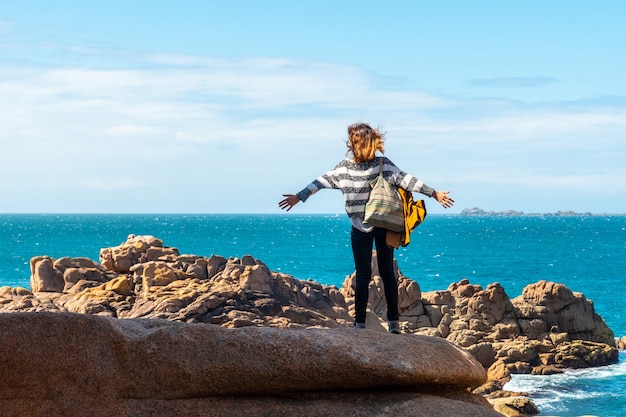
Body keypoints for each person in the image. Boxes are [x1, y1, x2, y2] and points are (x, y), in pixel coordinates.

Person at [279, 122, 454, 334]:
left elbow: (320, 182)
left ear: (353, 143)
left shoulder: (344, 168)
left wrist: (300, 196)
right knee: (387, 273)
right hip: (383, 223)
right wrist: (433, 193)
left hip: (360, 227)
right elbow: (407, 180)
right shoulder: (382, 164)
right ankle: (393, 324)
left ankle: (360, 324)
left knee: (363, 275)